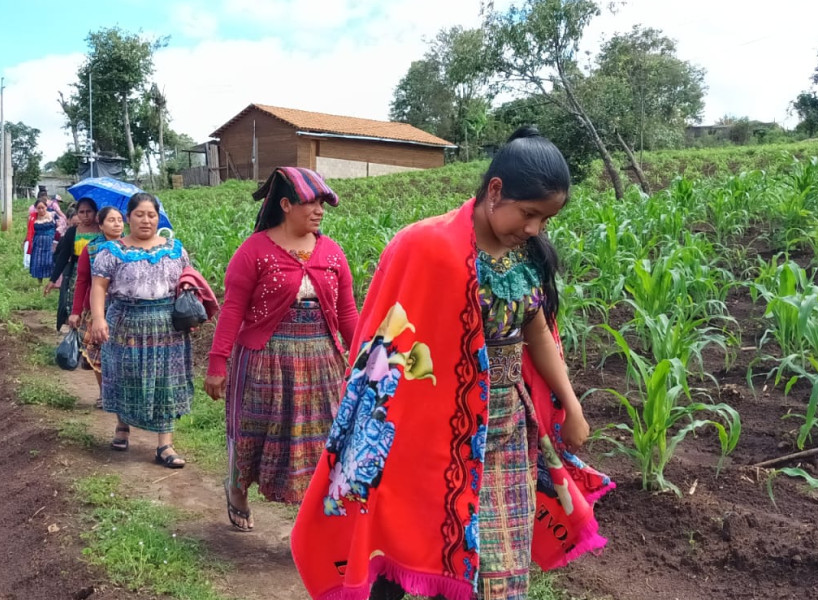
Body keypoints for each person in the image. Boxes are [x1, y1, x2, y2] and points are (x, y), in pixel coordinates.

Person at [290, 127, 613, 600]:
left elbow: (537, 331)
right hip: (426, 425)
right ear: (495, 190)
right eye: (529, 214)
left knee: (495, 559)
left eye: (545, 220)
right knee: (405, 540)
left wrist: (572, 406)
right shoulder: (423, 245)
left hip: (505, 427)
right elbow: (385, 343)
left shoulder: (526, 255)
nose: (534, 229)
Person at [204, 167, 360, 532]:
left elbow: (348, 312)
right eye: (310, 202)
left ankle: (314, 522)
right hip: (265, 360)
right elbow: (233, 311)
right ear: (286, 204)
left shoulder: (332, 252)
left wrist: (366, 358)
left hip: (321, 360)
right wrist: (217, 363)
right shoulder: (254, 250)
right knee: (252, 431)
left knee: (322, 438)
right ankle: (237, 489)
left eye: (322, 203)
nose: (319, 210)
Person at [87, 193, 195, 468]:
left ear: (158, 218)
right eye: (139, 214)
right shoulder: (111, 251)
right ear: (128, 218)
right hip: (125, 321)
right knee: (126, 375)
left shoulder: (175, 249)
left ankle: (165, 445)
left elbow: (188, 281)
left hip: (167, 325)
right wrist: (98, 319)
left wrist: (191, 310)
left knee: (165, 381)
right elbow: (98, 286)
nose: (146, 220)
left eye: (151, 215)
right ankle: (122, 427)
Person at [71, 206, 124, 409]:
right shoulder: (92, 249)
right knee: (98, 352)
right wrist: (76, 312)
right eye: (111, 220)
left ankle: (120, 392)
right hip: (97, 308)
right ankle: (104, 393)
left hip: (124, 308)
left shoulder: (132, 247)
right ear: (100, 225)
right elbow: (82, 281)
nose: (117, 224)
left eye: (120, 220)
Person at [46, 197, 101, 331]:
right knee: (76, 305)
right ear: (77, 213)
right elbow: (63, 256)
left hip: (99, 272)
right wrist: (53, 279)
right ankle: (78, 338)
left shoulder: (102, 231)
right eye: (81, 212)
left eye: (89, 211)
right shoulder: (73, 232)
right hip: (78, 273)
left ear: (95, 212)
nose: (86, 215)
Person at [28, 198, 58, 281]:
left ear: (46, 207)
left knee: (50, 260)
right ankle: (39, 280)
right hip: (38, 244)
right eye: (39, 208)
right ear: (36, 208)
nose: (41, 210)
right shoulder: (33, 218)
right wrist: (26, 241)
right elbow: (29, 231)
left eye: (43, 208)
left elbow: (59, 227)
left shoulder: (52, 215)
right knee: (38, 261)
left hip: (50, 243)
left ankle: (52, 280)